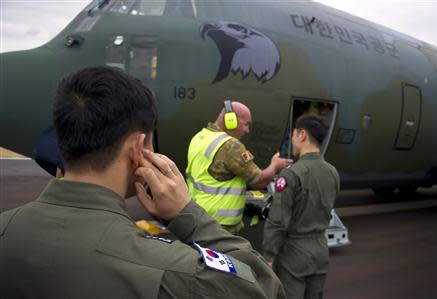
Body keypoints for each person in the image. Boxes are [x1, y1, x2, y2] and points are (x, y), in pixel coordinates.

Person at [0, 66, 286, 299]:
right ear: (138, 149)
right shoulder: (174, 270)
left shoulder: (6, 229)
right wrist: (189, 216)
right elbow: (265, 289)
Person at [263, 115, 340, 299]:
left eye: (294, 135)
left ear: (302, 135)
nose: (292, 140)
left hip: (294, 252)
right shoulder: (332, 172)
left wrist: (268, 256)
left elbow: (278, 220)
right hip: (321, 249)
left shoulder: (291, 175)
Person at [185, 100, 292, 234]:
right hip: (219, 226)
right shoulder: (231, 146)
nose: (247, 130)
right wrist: (275, 165)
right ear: (231, 120)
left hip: (198, 218)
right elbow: (259, 181)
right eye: (246, 124)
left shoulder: (200, 137)